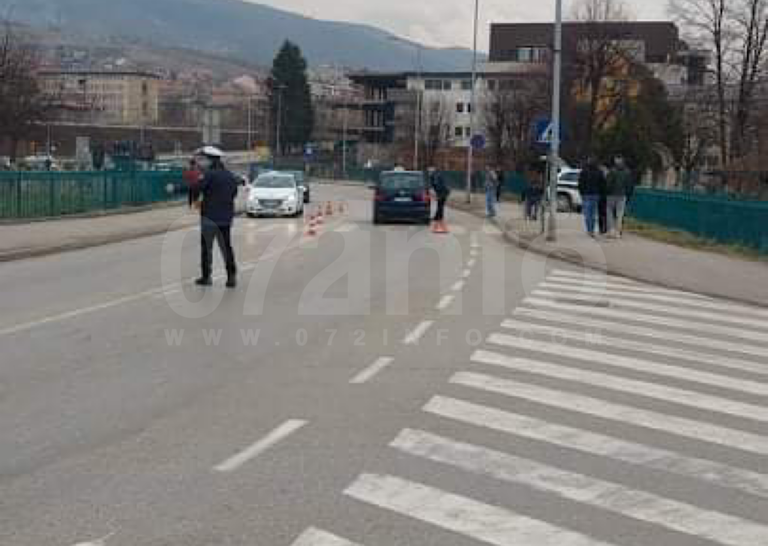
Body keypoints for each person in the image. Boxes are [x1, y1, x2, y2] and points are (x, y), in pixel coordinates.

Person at [192, 147, 239, 289]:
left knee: (207, 248)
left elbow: (196, 189)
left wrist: (197, 199)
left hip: (209, 218)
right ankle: (231, 278)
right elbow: (234, 193)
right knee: (226, 248)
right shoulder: (230, 175)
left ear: (210, 160)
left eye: (204, 159)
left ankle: (207, 277)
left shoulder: (209, 175)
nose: (202, 161)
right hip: (225, 219)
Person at [578, 157, 606, 238]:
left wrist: (581, 193)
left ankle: (589, 230)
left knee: (587, 214)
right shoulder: (599, 172)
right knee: (593, 214)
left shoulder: (584, 171)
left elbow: (580, 183)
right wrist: (601, 194)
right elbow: (603, 184)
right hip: (595, 194)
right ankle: (592, 230)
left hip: (586, 194)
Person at [606, 156, 633, 238]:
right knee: (620, 214)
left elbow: (608, 183)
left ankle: (611, 230)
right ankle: (618, 232)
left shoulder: (612, 171)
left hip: (611, 195)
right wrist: (628, 194)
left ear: (616, 162)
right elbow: (629, 185)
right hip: (622, 195)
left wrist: (607, 192)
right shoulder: (628, 172)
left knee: (609, 212)